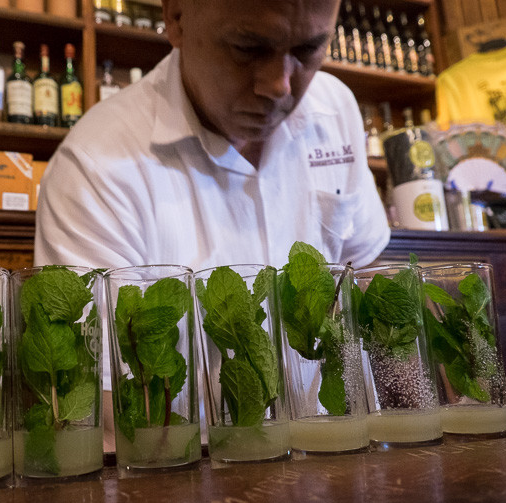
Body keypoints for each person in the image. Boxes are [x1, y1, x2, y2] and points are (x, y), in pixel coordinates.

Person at [34, 0, 391, 449]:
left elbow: (371, 287)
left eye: (308, 49)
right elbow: (94, 402)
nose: (278, 86)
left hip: (341, 454)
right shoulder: (95, 165)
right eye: (247, 47)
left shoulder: (335, 108)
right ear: (176, 17)